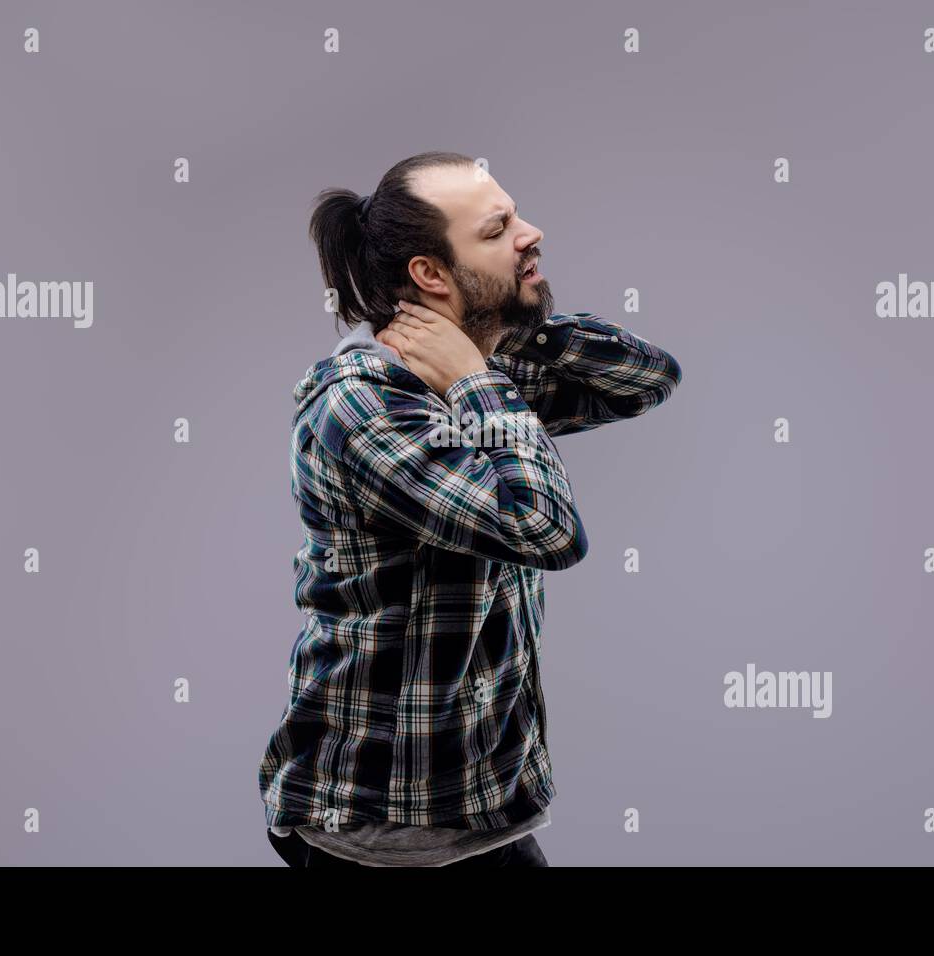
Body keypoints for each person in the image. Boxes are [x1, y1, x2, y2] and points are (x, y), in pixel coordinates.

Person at [258, 151, 682, 866]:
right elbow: (543, 528)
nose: (530, 233)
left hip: (481, 812)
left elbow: (648, 379)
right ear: (430, 274)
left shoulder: (470, 369)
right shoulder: (366, 403)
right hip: (382, 828)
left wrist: (519, 334)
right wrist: (478, 379)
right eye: (497, 230)